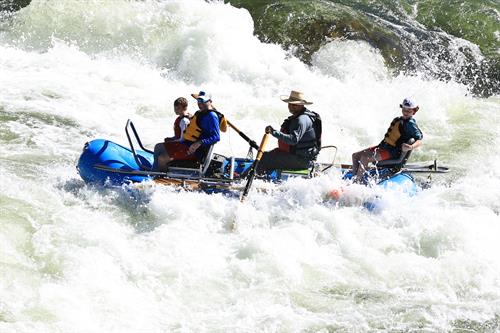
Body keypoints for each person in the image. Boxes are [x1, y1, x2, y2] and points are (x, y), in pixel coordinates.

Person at [351, 97, 423, 181]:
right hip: (383, 147)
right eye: (404, 109)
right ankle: (354, 177)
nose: (406, 112)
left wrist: (411, 147)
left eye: (409, 111)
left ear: (414, 111)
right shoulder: (399, 119)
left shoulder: (410, 124)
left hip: (392, 152)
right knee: (355, 156)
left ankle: (358, 182)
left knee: (365, 158)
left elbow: (419, 140)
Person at [153, 90, 227, 172]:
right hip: (187, 144)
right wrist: (191, 117)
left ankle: (158, 176)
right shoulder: (201, 113)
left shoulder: (211, 116)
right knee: (158, 147)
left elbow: (216, 137)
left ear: (210, 101)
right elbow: (198, 125)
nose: (200, 103)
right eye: (199, 101)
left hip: (195, 150)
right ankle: (154, 171)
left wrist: (199, 143)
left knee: (162, 158)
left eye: (203, 101)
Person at [257, 90, 321, 174]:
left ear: (301, 105)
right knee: (266, 155)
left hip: (301, 160)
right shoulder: (299, 117)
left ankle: (253, 180)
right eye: (290, 104)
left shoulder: (301, 120)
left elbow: (293, 140)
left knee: (265, 159)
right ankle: (262, 176)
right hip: (298, 157)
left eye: (294, 104)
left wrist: (273, 132)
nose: (291, 106)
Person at [153, 97, 191, 171]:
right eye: (175, 108)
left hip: (184, 146)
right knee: (160, 150)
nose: (176, 110)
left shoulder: (184, 121)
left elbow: (183, 139)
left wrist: (171, 141)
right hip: (179, 144)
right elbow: (178, 136)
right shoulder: (179, 118)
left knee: (158, 147)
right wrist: (172, 138)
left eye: (178, 108)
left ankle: (155, 171)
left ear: (185, 107)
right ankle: (158, 169)